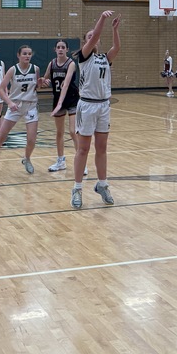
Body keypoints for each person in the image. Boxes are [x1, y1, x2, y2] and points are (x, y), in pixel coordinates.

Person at [71, 11, 122, 210]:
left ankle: (102, 184)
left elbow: (117, 47)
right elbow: (97, 36)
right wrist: (101, 18)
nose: (94, 39)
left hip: (103, 105)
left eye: (95, 36)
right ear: (86, 42)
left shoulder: (104, 58)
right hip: (87, 105)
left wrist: (115, 30)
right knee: (83, 148)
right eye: (90, 37)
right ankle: (76, 188)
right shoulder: (84, 58)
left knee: (102, 148)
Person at [0, 44, 41, 177]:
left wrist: (41, 83)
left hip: (30, 105)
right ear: (18, 55)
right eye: (24, 53)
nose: (27, 56)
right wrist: (9, 102)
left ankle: (27, 159)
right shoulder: (13, 70)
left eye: (29, 54)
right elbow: (0, 89)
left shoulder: (35, 69)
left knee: (31, 139)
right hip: (15, 106)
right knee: (1, 137)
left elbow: (37, 88)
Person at [46, 39, 81, 172]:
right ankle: (60, 161)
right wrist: (43, 81)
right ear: (55, 49)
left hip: (71, 99)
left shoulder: (70, 64)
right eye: (58, 47)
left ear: (67, 49)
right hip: (57, 100)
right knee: (59, 132)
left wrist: (60, 102)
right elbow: (45, 78)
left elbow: (66, 84)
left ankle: (81, 162)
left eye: (63, 47)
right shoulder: (52, 64)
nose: (60, 49)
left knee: (73, 131)